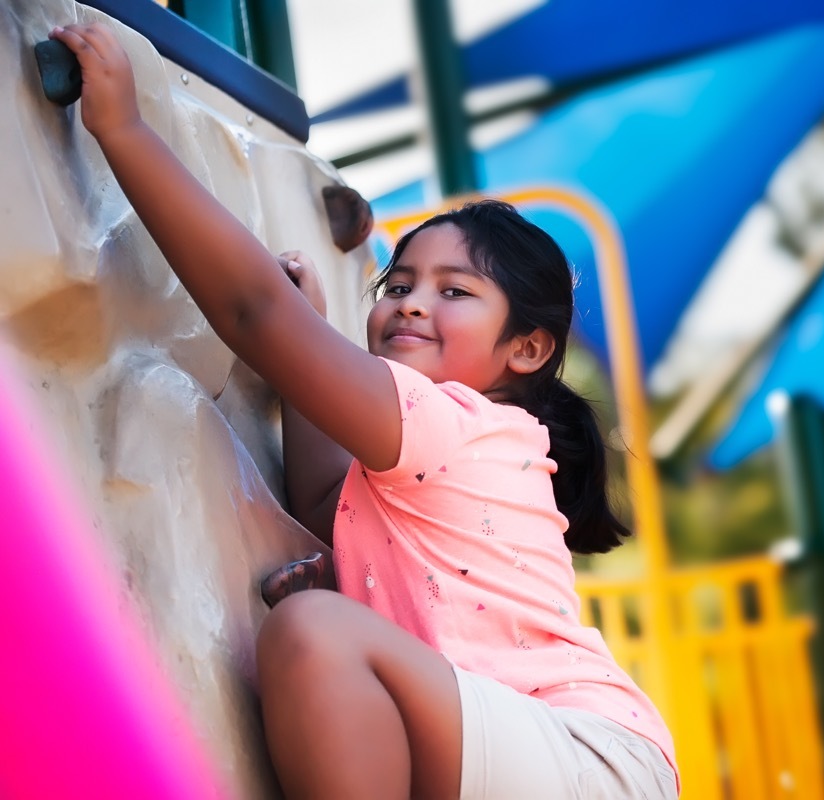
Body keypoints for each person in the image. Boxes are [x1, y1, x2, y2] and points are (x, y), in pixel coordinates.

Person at [51, 22, 679, 800]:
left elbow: (253, 315)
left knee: (313, 631)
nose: (412, 305)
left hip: (584, 754)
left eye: (454, 292)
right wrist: (307, 340)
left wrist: (125, 129)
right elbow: (323, 501)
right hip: (528, 751)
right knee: (319, 624)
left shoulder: (462, 422)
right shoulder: (427, 449)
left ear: (526, 350)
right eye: (400, 285)